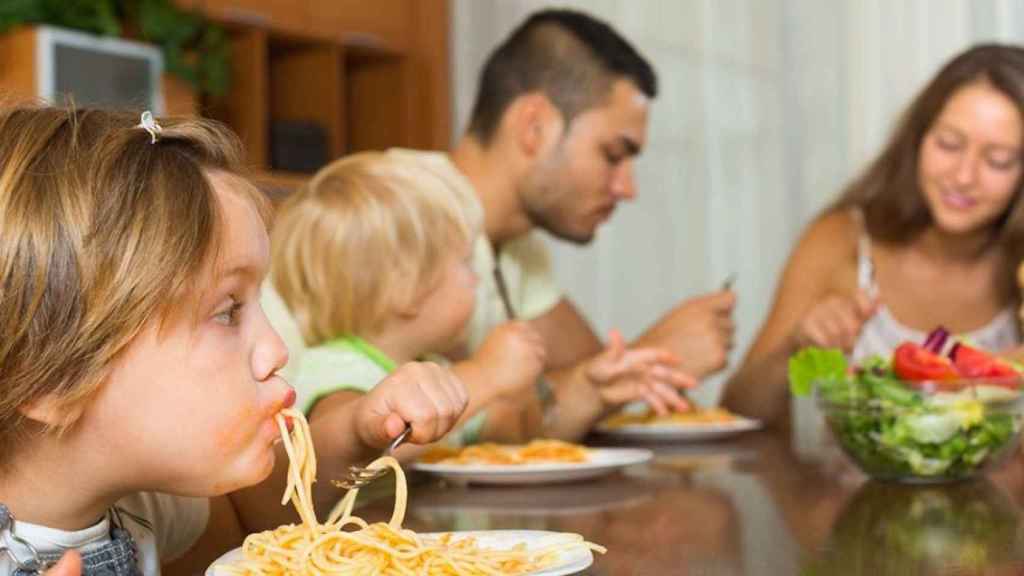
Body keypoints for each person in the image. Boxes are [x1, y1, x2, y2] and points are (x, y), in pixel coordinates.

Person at [0, 105, 468, 576]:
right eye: (226, 312)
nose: (276, 349)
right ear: (53, 380)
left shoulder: (139, 501)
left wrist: (357, 434)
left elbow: (255, 513)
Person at [380, 9, 735, 437]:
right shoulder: (398, 215)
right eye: (612, 155)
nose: (627, 188)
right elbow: (407, 430)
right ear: (535, 126)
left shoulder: (517, 245)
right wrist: (658, 352)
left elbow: (564, 393)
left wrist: (641, 362)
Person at [269, 151, 697, 445]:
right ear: (406, 288)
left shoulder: (434, 366)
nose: (477, 280)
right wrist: (486, 375)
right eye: (464, 264)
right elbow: (351, 441)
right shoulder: (338, 368)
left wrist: (591, 390)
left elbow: (515, 434)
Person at [722, 44, 1024, 426]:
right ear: (917, 140)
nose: (964, 176)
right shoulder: (841, 241)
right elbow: (739, 410)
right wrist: (795, 346)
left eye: (998, 160)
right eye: (949, 144)